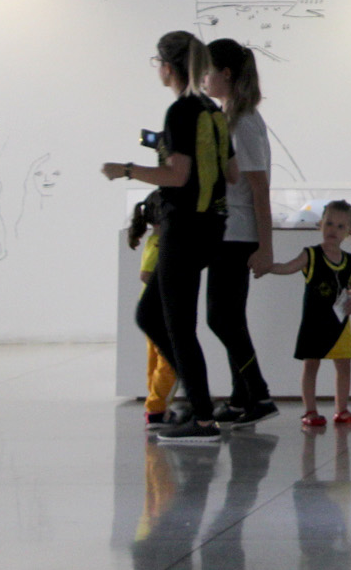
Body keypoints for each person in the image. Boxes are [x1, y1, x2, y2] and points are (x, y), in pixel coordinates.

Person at [103, 30, 232, 445]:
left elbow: (176, 176)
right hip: (211, 226)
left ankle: (203, 419)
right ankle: (197, 396)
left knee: (178, 326)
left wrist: (126, 170)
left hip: (184, 230)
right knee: (150, 315)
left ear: (168, 67)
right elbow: (230, 172)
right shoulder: (211, 110)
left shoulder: (180, 112)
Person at [202, 38, 277, 427]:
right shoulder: (230, 116)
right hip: (227, 231)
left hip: (238, 233)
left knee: (221, 318)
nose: (202, 78)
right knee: (229, 317)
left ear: (226, 74)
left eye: (207, 71)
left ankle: (258, 393)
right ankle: (240, 398)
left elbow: (260, 189)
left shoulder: (243, 122)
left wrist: (266, 247)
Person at [266, 199, 351, 428]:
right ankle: (310, 410)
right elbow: (288, 267)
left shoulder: (349, 261)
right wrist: (268, 267)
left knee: (344, 365)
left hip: (340, 324)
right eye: (329, 223)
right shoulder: (310, 255)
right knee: (311, 365)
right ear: (320, 224)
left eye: (340, 226)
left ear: (349, 230)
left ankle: (342, 409)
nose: (333, 230)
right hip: (314, 323)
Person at [129, 197, 179, 429]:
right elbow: (146, 274)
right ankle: (157, 409)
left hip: (155, 309)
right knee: (169, 361)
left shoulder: (155, 240)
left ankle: (155, 407)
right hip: (162, 310)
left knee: (156, 361)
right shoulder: (160, 243)